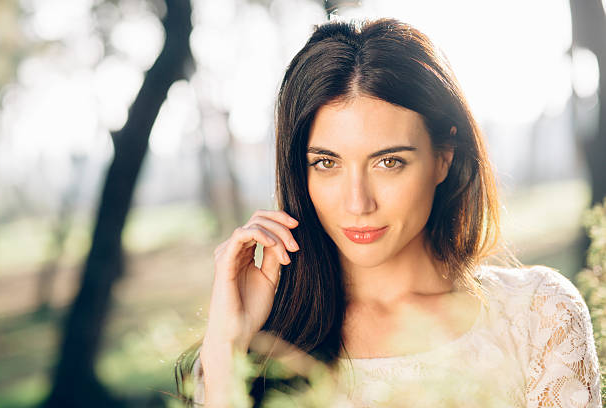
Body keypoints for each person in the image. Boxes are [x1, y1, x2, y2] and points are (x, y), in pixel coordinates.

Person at [174, 17, 603, 407]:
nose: (358, 203)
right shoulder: (253, 346)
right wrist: (227, 347)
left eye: (388, 162)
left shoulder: (538, 315)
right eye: (327, 163)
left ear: (443, 157)